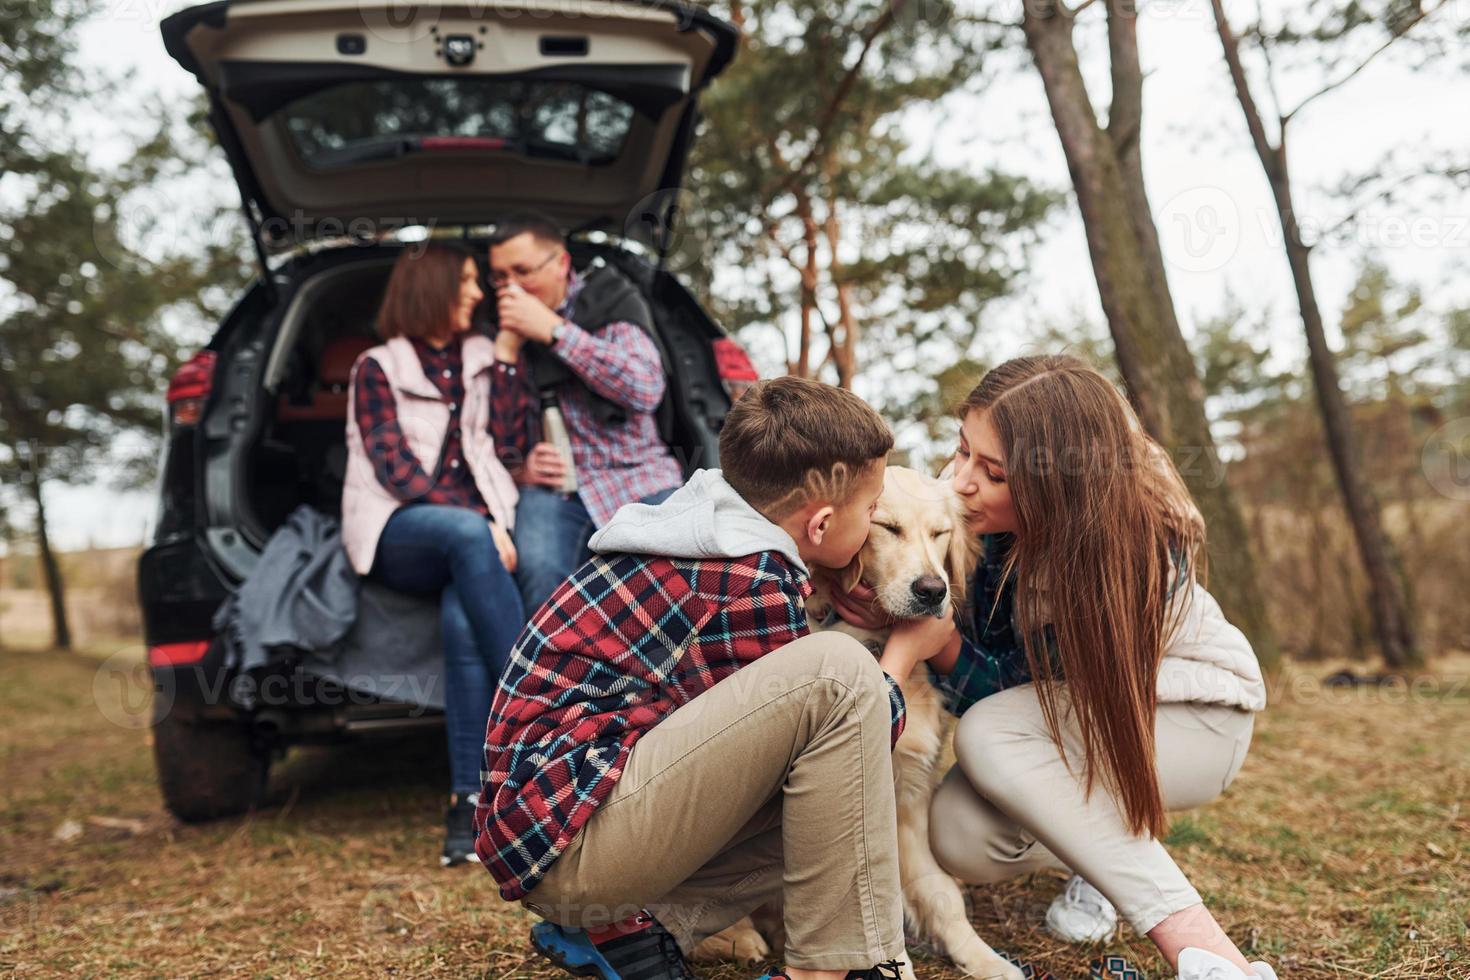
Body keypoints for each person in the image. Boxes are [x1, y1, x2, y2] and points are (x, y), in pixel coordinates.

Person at [475, 377, 952, 980]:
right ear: (823, 522)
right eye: (873, 511)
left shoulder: (705, 532)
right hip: (573, 850)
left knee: (819, 759)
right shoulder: (749, 581)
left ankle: (623, 933)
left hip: (556, 831)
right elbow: (836, 750)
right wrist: (904, 656)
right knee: (842, 674)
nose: (872, 523)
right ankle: (830, 970)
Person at [829, 355, 1276, 980]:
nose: (958, 482)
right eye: (962, 451)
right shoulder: (958, 503)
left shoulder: (1129, 550)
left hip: (1184, 721)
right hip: (1053, 723)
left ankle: (1209, 956)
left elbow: (1018, 690)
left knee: (988, 734)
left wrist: (938, 644)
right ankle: (1103, 852)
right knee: (956, 835)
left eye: (993, 473)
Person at [341, 241, 527, 868]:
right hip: (401, 529)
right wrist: (479, 522)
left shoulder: (482, 355)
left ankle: (468, 808)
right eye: (469, 282)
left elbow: (510, 438)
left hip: (475, 537)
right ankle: (541, 704)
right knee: (464, 542)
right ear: (435, 289)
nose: (477, 293)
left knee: (460, 615)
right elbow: (394, 467)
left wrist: (504, 359)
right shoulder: (377, 366)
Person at [484, 210, 683, 614]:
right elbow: (479, 434)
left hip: (638, 475)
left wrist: (555, 333)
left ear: (560, 264)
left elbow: (644, 389)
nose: (510, 289)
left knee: (671, 588)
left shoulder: (610, 300)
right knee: (537, 573)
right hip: (554, 491)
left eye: (522, 272)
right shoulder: (496, 330)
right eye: (500, 278)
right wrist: (520, 468)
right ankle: (556, 676)